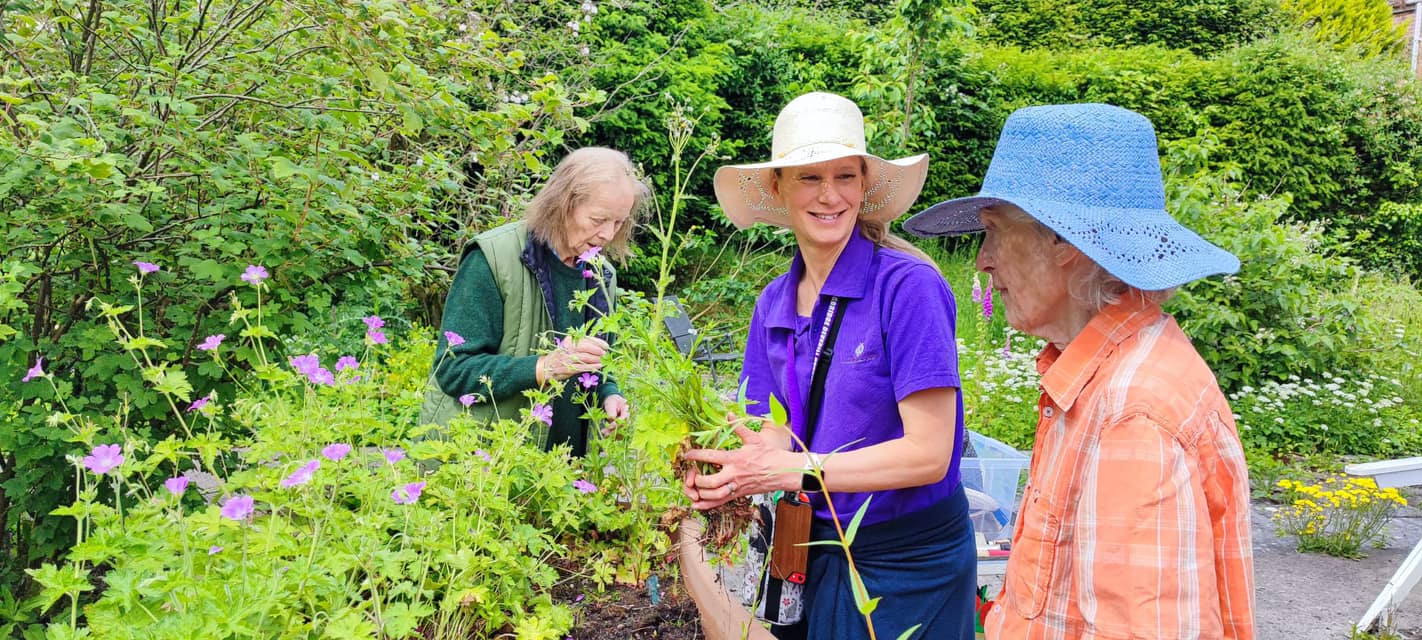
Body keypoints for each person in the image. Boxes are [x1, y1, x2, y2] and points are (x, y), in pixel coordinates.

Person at [905, 103, 1255, 639]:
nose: (983, 259)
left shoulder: (1132, 413)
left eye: (994, 231)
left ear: (1064, 240)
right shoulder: (1101, 376)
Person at [682, 92, 977, 640]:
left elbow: (931, 454)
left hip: (908, 560)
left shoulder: (907, 287)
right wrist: (736, 472)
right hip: (813, 546)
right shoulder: (773, 301)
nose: (830, 196)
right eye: (809, 178)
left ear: (865, 186)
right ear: (777, 188)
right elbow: (776, 433)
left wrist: (796, 471)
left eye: (846, 176)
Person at [419, 147, 650, 457]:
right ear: (562, 204)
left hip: (560, 476)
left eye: (619, 223)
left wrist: (610, 395)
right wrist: (542, 368)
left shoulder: (601, 275)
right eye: (598, 219)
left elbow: (598, 366)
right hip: (486, 467)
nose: (608, 234)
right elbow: (453, 369)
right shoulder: (493, 259)